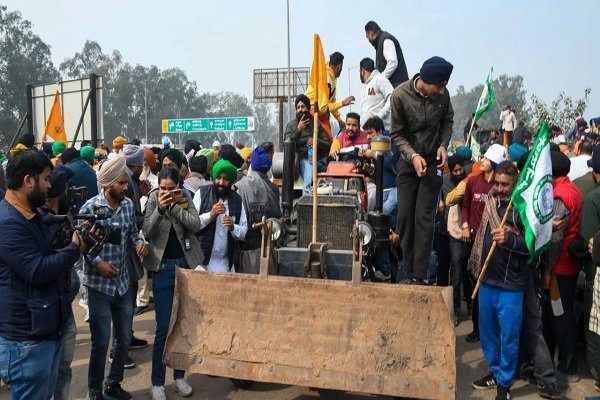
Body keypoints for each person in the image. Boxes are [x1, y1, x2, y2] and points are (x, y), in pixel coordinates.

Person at [0, 150, 86, 400]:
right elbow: (36, 270)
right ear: (28, 181)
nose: (50, 186)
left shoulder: (29, 214)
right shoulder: (8, 222)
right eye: (46, 179)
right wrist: (74, 249)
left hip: (41, 330)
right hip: (26, 339)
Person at [78, 154, 148, 400]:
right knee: (100, 342)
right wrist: (98, 264)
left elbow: (131, 233)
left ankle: (113, 384)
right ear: (107, 184)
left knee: (125, 337)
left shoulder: (128, 205)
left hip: (123, 283)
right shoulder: (89, 209)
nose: (125, 186)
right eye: (120, 183)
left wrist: (140, 242)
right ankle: (94, 391)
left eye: (125, 183)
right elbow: (80, 251)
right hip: (98, 285)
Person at [390, 56, 454, 285]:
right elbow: (396, 134)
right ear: (426, 81)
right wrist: (413, 156)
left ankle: (421, 275)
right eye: (440, 85)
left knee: (424, 218)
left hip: (432, 161)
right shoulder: (399, 96)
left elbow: (448, 121)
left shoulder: (443, 96)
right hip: (409, 161)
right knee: (406, 216)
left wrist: (443, 145)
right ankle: (408, 273)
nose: (443, 90)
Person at [469, 161, 529, 400]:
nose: (500, 188)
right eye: (498, 183)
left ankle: (504, 385)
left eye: (505, 185)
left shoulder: (523, 209)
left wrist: (511, 239)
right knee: (488, 334)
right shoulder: (491, 202)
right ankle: (494, 372)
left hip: (510, 285)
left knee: (509, 337)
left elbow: (533, 246)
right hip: (487, 280)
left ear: (515, 184)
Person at [143, 167, 202, 400]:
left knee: (184, 324)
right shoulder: (152, 200)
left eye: (171, 188)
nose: (166, 192)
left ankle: (179, 376)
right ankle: (157, 381)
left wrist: (175, 207)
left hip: (185, 266)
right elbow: (147, 230)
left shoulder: (185, 198)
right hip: (163, 267)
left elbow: (195, 225)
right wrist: (159, 208)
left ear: (179, 185)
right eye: (163, 188)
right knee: (163, 327)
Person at [542, 151, 583, 383]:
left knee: (559, 317)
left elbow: (555, 238)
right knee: (560, 315)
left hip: (559, 268)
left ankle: (567, 367)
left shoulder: (559, 196)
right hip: (569, 265)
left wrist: (547, 270)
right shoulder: (573, 189)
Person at [462, 144, 505, 342]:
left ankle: (490, 329)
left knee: (488, 288)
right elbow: (466, 205)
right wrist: (464, 224)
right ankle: (476, 327)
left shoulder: (497, 188)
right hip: (473, 242)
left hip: (491, 244)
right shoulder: (473, 182)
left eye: (486, 159)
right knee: (474, 287)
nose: (482, 161)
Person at [193, 159, 248, 271]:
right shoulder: (201, 194)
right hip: (202, 264)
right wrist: (210, 216)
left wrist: (233, 227)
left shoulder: (237, 200)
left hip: (226, 264)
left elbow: (244, 232)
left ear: (231, 181)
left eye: (225, 179)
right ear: (214, 178)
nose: (221, 183)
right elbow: (192, 225)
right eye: (219, 178)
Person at [235, 146, 282, 274]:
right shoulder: (274, 188)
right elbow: (277, 216)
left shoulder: (240, 186)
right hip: (268, 251)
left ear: (252, 165)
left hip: (245, 251)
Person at [284, 94, 330, 195]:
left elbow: (327, 144)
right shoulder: (291, 125)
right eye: (298, 107)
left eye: (303, 106)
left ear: (308, 108)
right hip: (302, 160)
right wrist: (298, 130)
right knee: (309, 174)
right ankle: (307, 200)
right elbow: (287, 145)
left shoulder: (315, 123)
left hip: (318, 159)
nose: (300, 110)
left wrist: (316, 141)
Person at [305, 52, 355, 139]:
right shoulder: (326, 78)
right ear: (339, 66)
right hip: (312, 110)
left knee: (329, 140)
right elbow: (323, 107)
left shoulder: (332, 77)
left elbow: (332, 103)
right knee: (321, 141)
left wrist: (339, 120)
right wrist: (342, 103)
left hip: (321, 112)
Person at [444, 155, 468, 326]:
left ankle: (473, 308)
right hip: (454, 230)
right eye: (455, 170)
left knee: (470, 273)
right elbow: (444, 202)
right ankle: (456, 312)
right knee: (457, 273)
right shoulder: (445, 182)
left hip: (469, 230)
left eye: (461, 169)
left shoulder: (469, 182)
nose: (458, 173)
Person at [364, 20, 409, 88]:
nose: (368, 40)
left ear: (370, 33)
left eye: (367, 36)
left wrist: (380, 80)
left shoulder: (386, 40)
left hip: (397, 87)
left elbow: (392, 63)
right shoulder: (380, 43)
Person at [359, 57, 394, 131]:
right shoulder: (365, 86)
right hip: (368, 131)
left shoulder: (380, 79)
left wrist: (379, 116)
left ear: (362, 71)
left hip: (381, 131)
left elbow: (392, 97)